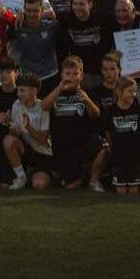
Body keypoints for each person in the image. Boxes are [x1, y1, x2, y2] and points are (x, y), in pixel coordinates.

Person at [41, 56, 102, 190]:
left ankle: (94, 180)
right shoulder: (55, 91)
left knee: (104, 149)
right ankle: (82, 174)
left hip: (84, 142)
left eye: (75, 73)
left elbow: (96, 114)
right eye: (68, 73)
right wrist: (59, 88)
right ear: (61, 74)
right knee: (71, 187)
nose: (71, 77)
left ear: (81, 75)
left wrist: (87, 100)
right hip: (62, 147)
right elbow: (44, 106)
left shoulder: (88, 91)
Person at [101, 77, 140, 194]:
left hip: (135, 156)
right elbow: (108, 132)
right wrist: (112, 146)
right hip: (118, 157)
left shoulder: (139, 110)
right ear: (119, 91)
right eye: (130, 91)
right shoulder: (110, 110)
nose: (133, 94)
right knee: (121, 191)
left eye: (135, 91)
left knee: (133, 191)